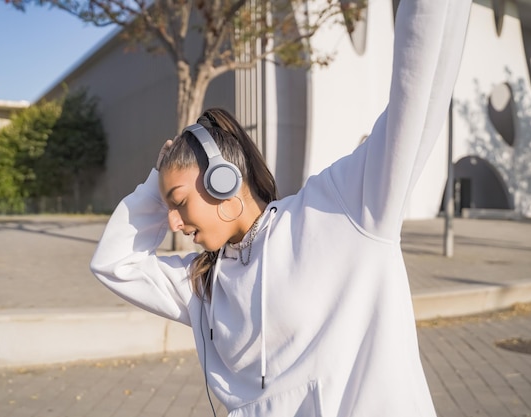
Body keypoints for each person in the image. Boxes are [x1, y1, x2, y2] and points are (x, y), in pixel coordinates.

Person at [90, 1, 472, 415]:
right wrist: (156, 183)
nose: (172, 221)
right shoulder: (202, 285)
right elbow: (114, 263)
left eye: (180, 202)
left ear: (225, 180)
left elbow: (417, 94)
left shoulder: (340, 208)